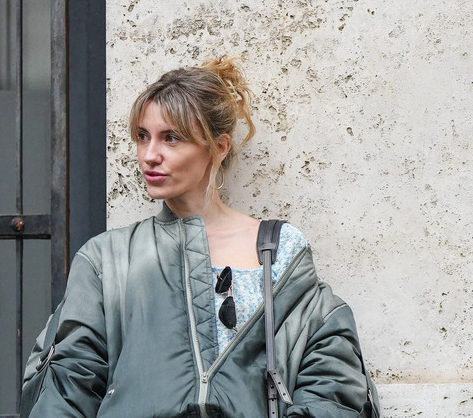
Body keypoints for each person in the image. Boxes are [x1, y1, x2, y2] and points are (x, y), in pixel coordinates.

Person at [22, 57, 379, 417]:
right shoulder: (108, 260)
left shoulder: (280, 252)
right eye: (142, 136)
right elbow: (68, 387)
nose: (149, 155)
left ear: (219, 147)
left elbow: (330, 384)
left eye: (171, 138)